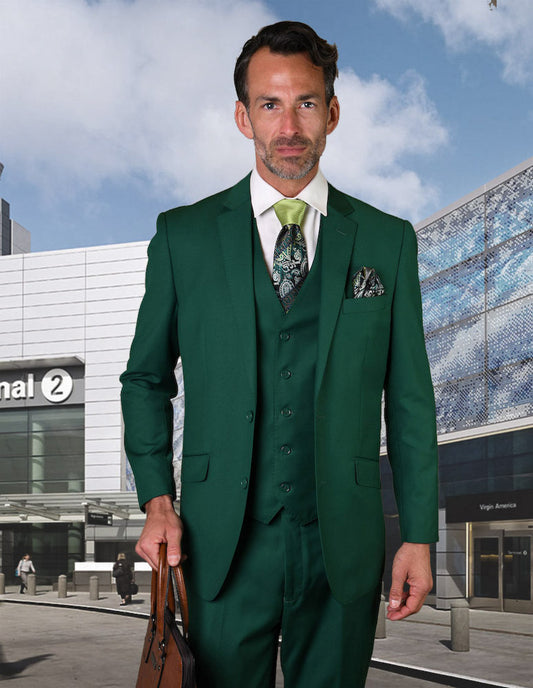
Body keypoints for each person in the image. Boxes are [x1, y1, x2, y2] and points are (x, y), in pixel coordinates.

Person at [121, 20, 438, 688]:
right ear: (243, 117)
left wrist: (417, 532)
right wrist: (156, 496)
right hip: (218, 543)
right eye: (269, 104)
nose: (288, 124)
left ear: (332, 113)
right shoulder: (182, 238)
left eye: (305, 103)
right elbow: (146, 379)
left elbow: (408, 399)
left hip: (342, 540)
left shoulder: (387, 242)